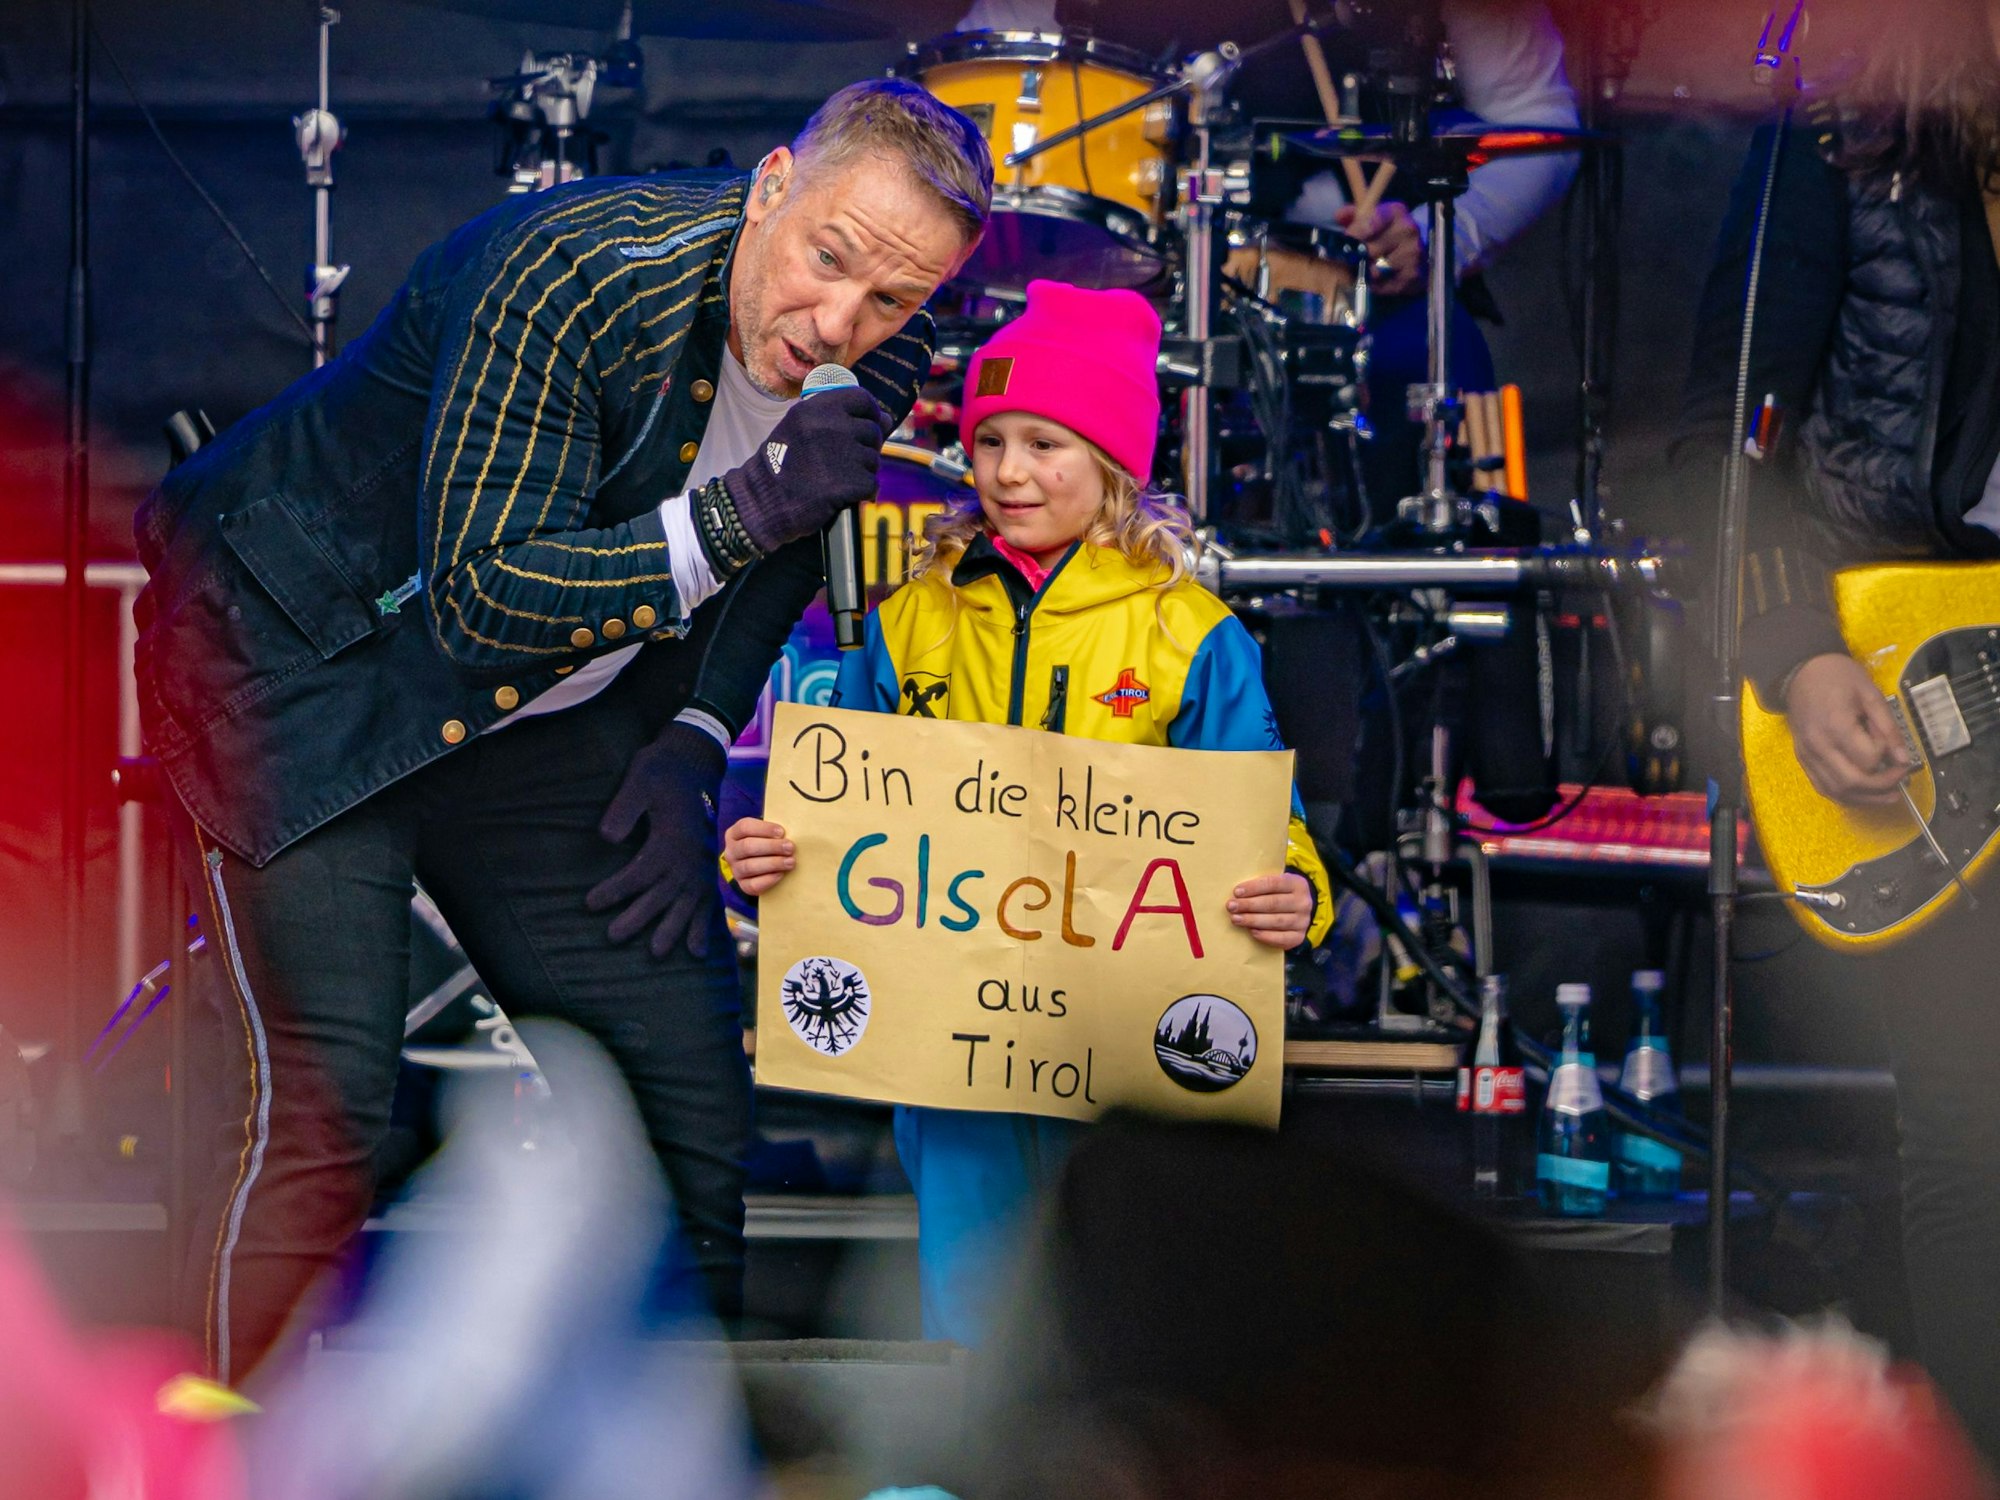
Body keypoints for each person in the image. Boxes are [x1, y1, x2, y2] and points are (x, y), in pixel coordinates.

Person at [132, 78, 991, 1385]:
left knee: (682, 1087)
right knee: (330, 1110)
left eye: (893, 302)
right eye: (830, 261)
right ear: (772, 186)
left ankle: (671, 1458)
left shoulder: (879, 347)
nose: (839, 327)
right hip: (308, 656)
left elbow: (787, 546)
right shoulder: (572, 271)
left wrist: (697, 731)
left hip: (542, 715)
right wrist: (743, 512)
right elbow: (483, 596)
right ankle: (204, 1455)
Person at [722, 279, 1334, 1343]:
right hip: (957, 1034)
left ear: (1110, 465)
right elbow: (850, 796)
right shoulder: (911, 616)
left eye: (1044, 443)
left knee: (1120, 1300)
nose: (1007, 472)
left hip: (1115, 1039)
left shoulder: (1187, 632)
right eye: (990, 439)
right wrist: (783, 852)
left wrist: (1297, 894)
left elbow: (1250, 811)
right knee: (974, 1290)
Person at [1676, 0, 2000, 1461]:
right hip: (1935, 690)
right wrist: (1796, 655)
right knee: (1975, 1130)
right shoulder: (1844, 145)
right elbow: (1721, 442)